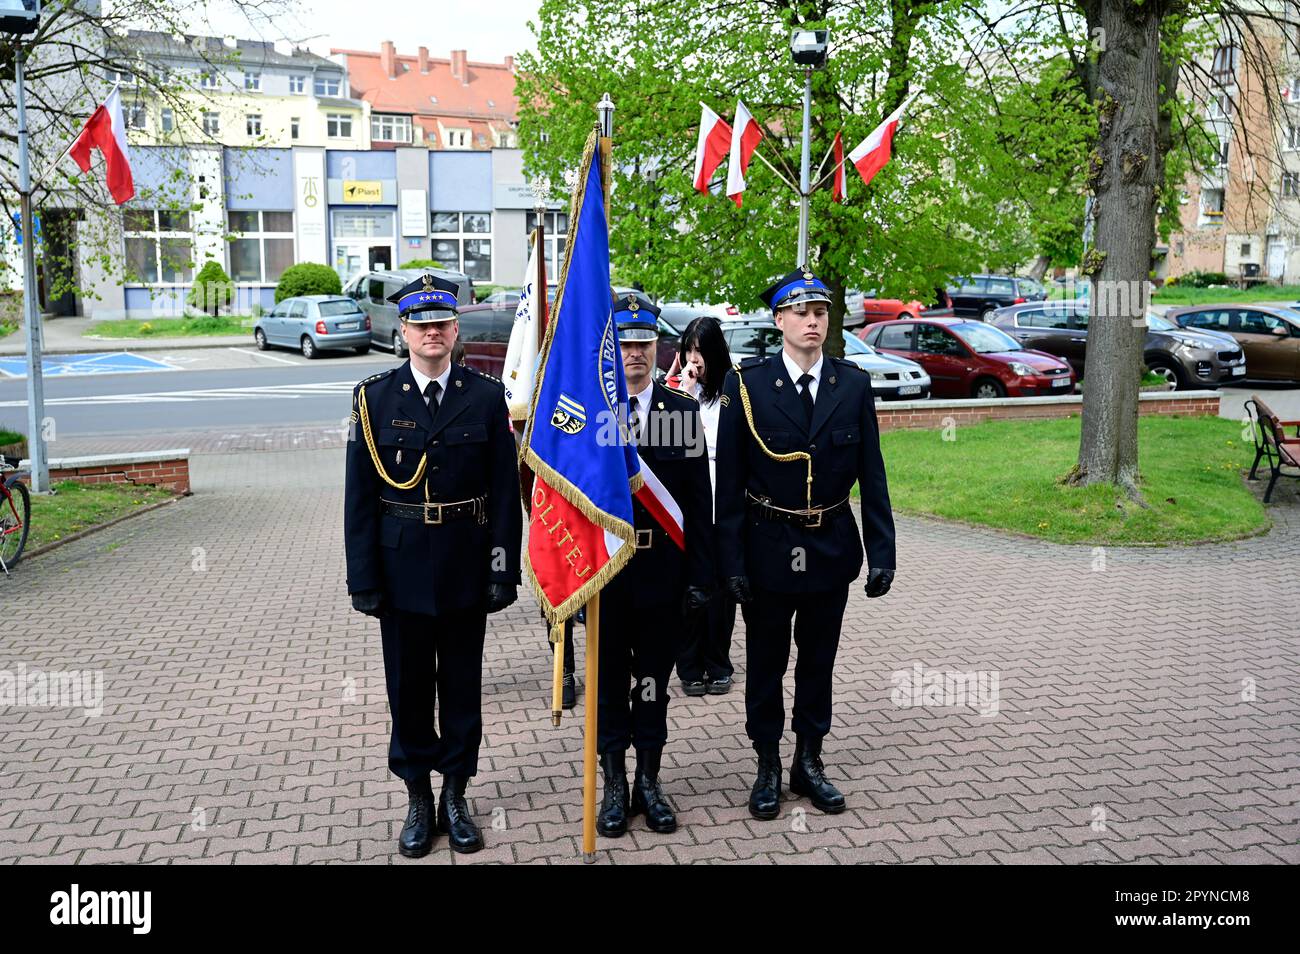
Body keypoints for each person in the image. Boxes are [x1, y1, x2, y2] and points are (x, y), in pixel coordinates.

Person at [344, 272, 522, 858]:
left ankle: (457, 795)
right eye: (421, 325)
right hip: (400, 573)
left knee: (463, 689)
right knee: (410, 689)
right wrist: (363, 577)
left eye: (442, 324)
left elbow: (503, 494)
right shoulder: (373, 399)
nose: (432, 334)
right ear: (404, 331)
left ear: (455, 329)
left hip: (467, 566)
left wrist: (502, 569)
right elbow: (360, 496)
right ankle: (419, 798)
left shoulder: (487, 395)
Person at [715, 267, 896, 821]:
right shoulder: (745, 386)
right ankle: (767, 763)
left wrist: (883, 551)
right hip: (769, 546)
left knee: (818, 662)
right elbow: (730, 480)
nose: (812, 322)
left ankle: (809, 760)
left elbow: (873, 472)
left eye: (819, 313)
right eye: (800, 313)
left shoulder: (853, 384)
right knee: (767, 663)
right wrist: (732, 560)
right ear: (779, 321)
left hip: (830, 548)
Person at [596, 291, 714, 837]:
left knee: (652, 682)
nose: (636, 352)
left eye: (645, 341)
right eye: (626, 341)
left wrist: (700, 578)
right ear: (611, 345)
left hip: (662, 577)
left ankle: (649, 778)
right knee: (608, 682)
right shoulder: (586, 415)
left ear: (656, 345)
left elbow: (698, 503)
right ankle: (615, 784)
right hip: (606, 576)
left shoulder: (682, 412)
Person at [671, 316, 736, 697]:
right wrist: (685, 392)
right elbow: (670, 445)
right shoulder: (677, 393)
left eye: (700, 352)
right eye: (688, 351)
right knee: (689, 588)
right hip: (687, 506)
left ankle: (719, 662)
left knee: (720, 591)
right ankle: (689, 664)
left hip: (720, 500)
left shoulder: (730, 392)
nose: (694, 360)